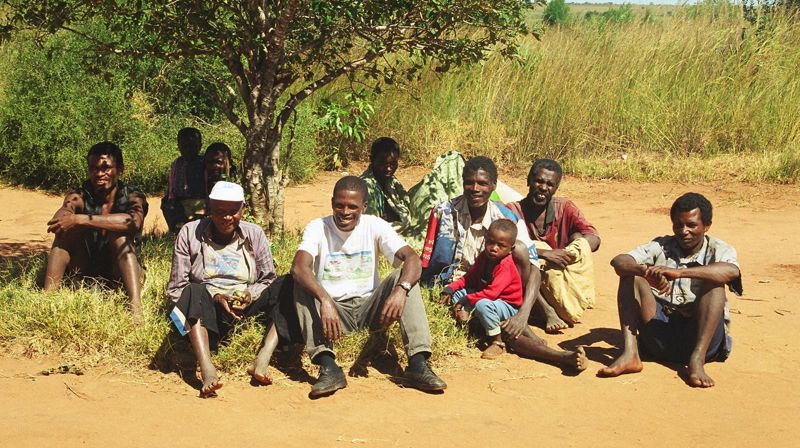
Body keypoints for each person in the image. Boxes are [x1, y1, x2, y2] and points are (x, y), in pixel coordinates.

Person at [421, 157, 586, 371]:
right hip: (458, 286)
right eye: (469, 182)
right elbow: (427, 260)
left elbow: (534, 268)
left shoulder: (506, 218)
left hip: (493, 289)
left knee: (520, 250)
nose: (475, 189)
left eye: (482, 183)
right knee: (500, 327)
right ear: (462, 183)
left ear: (493, 186)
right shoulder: (442, 212)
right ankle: (558, 354)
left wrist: (523, 313)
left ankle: (552, 348)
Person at [291, 176, 447, 398]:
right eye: (339, 205)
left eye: (352, 207)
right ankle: (328, 366)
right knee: (300, 283)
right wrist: (325, 300)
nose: (345, 212)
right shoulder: (318, 227)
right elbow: (299, 267)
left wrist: (401, 290)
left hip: (370, 309)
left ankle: (418, 363)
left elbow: (412, 258)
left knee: (404, 277)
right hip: (335, 313)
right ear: (332, 203)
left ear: (364, 207)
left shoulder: (374, 225)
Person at [597, 193, 742, 388]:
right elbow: (619, 261)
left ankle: (696, 361)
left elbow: (731, 271)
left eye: (691, 225)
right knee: (630, 276)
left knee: (715, 284)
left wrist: (679, 273)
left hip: (701, 340)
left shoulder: (719, 248)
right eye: (678, 225)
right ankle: (630, 354)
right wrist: (645, 272)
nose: (684, 231)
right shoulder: (661, 245)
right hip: (661, 339)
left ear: (706, 226)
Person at [167, 181, 295, 397]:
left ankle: (263, 357)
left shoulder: (254, 234)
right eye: (219, 211)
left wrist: (249, 294)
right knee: (192, 290)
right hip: (206, 313)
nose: (227, 217)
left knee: (289, 283)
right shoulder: (190, 233)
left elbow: (268, 279)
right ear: (209, 208)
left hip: (245, 308)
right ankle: (206, 367)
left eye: (233, 211)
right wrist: (216, 297)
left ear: (243, 210)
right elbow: (176, 289)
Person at [44, 141, 148, 317]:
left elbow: (133, 222)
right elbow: (61, 218)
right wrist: (67, 215)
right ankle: (47, 299)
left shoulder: (133, 196)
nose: (99, 174)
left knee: (119, 236)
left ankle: (135, 308)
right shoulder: (80, 195)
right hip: (87, 269)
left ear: (120, 170)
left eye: (105, 168)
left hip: (120, 272)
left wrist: (81, 219)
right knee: (65, 234)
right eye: (93, 168)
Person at [506, 159, 601, 333]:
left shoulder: (564, 207)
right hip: (527, 277)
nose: (543, 188)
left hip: (558, 275)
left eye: (550, 184)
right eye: (539, 181)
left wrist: (570, 252)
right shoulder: (512, 210)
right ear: (528, 181)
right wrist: (543, 253)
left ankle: (563, 303)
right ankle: (546, 310)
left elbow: (594, 237)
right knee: (521, 252)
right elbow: (505, 245)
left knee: (579, 239)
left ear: (556, 188)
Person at [440, 219, 523, 360]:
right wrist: (450, 288)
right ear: (485, 239)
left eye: (501, 245)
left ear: (511, 249)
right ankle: (466, 325)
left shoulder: (506, 266)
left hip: (507, 304)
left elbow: (492, 293)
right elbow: (469, 278)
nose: (494, 248)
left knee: (482, 305)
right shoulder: (484, 257)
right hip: (488, 298)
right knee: (458, 293)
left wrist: (466, 301)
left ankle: (497, 342)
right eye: (490, 242)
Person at [360, 137, 464, 247]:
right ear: (372, 159)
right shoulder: (368, 188)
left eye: (393, 164)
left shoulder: (388, 179)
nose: (389, 169)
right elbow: (370, 228)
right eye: (383, 163)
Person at [161, 127, 206, 232]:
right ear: (179, 146)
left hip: (199, 201)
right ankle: (177, 231)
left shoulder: (203, 162)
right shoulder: (177, 163)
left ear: (200, 146)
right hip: (180, 201)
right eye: (184, 146)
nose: (188, 150)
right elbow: (172, 181)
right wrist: (171, 198)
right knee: (167, 206)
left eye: (192, 146)